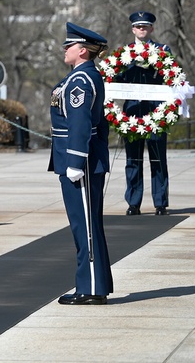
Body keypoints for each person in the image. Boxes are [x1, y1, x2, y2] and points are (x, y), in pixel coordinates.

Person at [51, 22, 113, 306]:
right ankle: (94, 284)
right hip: (80, 160)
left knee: (85, 226)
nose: (65, 49)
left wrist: (75, 161)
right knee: (84, 225)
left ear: (83, 51)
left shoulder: (80, 80)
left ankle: (89, 288)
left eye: (70, 45)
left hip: (80, 164)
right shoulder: (81, 76)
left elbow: (81, 123)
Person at [118, 11, 172, 216]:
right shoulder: (123, 54)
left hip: (155, 111)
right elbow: (118, 81)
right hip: (132, 112)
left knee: (158, 159)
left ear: (152, 28)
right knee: (133, 159)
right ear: (133, 29)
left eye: (145, 26)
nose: (141, 29)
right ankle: (133, 202)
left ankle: (160, 202)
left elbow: (171, 78)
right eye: (138, 26)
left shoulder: (163, 51)